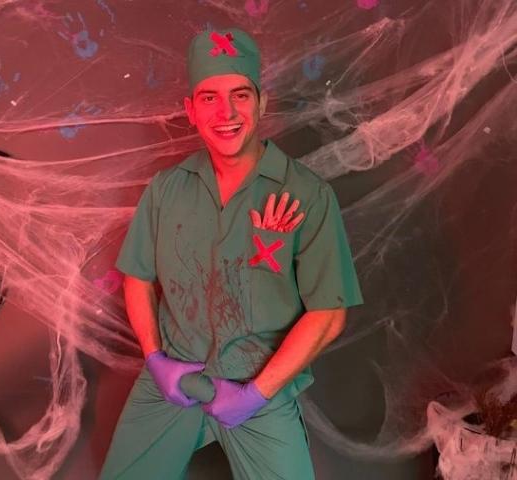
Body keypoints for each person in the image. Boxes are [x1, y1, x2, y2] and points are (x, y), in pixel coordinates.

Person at [99, 28, 363, 480]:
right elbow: (137, 277)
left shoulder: (307, 194)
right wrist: (156, 360)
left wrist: (256, 394)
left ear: (261, 103)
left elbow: (329, 315)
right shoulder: (166, 190)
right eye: (209, 98)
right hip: (176, 378)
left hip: (257, 388)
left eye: (240, 95)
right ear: (190, 109)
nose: (226, 113)